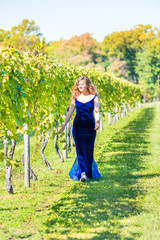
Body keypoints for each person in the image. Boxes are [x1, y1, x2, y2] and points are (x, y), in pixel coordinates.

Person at [61, 76, 101, 182]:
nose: (80, 86)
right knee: (79, 150)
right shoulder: (75, 98)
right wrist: (64, 124)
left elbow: (96, 111)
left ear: (87, 85)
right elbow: (70, 113)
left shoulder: (94, 97)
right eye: (78, 85)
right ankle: (82, 173)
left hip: (90, 127)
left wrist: (98, 121)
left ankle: (88, 172)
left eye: (82, 84)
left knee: (88, 150)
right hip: (78, 127)